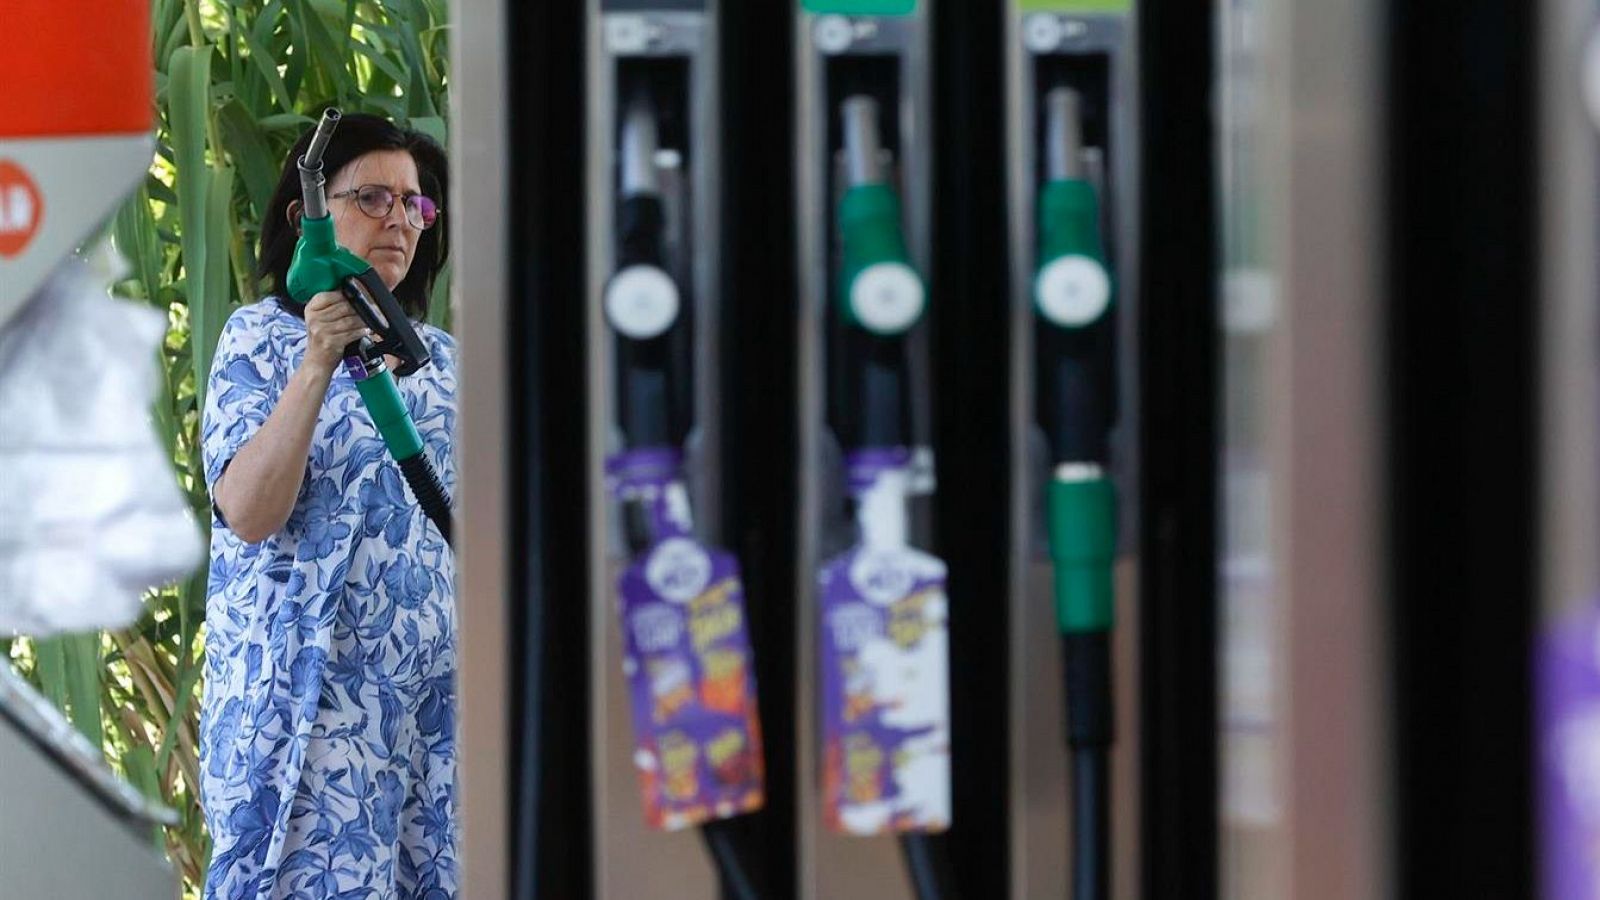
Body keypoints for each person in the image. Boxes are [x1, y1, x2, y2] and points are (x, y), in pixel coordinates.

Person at [197, 113, 457, 899]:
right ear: (306, 214)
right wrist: (317, 361)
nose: (398, 219)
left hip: (435, 714)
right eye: (373, 196)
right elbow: (247, 511)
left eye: (414, 204)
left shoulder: (444, 363)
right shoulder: (257, 341)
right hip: (308, 710)